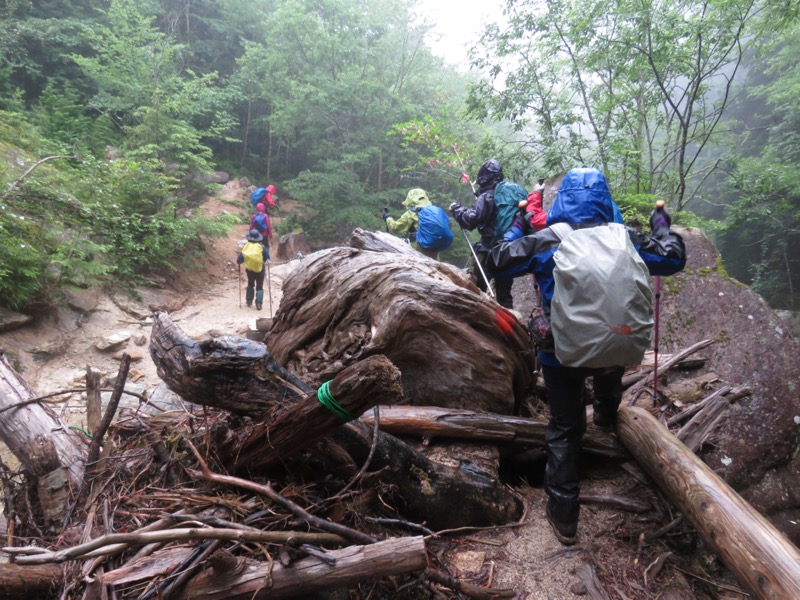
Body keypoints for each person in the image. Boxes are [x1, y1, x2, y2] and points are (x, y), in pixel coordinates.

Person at [488, 167, 686, 546]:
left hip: (561, 352)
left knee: (564, 428)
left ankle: (564, 515)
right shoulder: (625, 237)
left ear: (562, 200)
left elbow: (497, 259)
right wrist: (661, 224)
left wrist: (518, 224)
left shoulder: (548, 240)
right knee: (608, 361)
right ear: (605, 199)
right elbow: (673, 259)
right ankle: (609, 416)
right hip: (616, 345)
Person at [449, 159, 515, 309]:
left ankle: (478, 324)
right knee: (504, 294)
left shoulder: (487, 197)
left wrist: (456, 209)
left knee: (478, 290)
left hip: (488, 249)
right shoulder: (506, 196)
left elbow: (470, 220)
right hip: (508, 249)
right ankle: (511, 326)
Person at [382, 188, 440, 259]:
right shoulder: (435, 212)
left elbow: (395, 228)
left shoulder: (412, 213)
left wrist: (388, 218)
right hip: (435, 249)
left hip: (418, 249)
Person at [237, 230, 270, 310]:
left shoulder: (246, 247)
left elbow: (239, 260)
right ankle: (259, 303)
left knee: (250, 284)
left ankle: (249, 300)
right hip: (260, 269)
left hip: (250, 270)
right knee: (259, 286)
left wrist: (240, 262)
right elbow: (267, 258)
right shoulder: (261, 246)